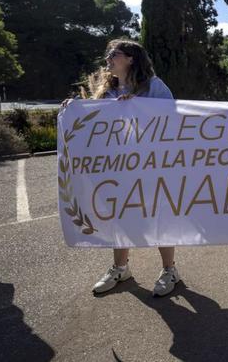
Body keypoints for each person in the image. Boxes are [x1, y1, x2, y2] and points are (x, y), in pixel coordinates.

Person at [82, 39, 180, 297]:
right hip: (116, 167)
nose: (108, 59)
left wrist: (139, 107)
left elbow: (173, 119)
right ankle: (120, 268)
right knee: (119, 216)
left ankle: (170, 270)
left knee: (158, 216)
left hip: (151, 165)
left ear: (131, 58)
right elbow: (93, 119)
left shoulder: (154, 87)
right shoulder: (107, 90)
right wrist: (73, 111)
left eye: (113, 54)